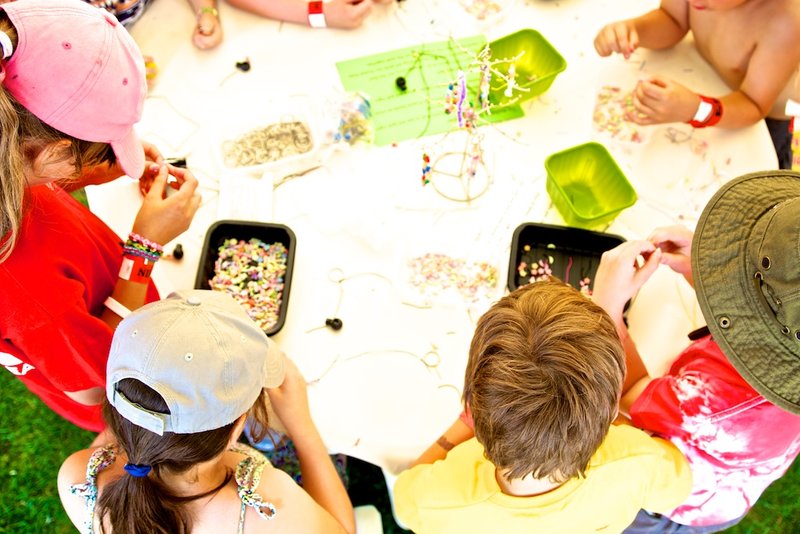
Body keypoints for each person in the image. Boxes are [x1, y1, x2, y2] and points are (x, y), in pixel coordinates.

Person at [0, 0, 199, 434]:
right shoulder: (27, 294)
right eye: (101, 148)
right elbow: (94, 383)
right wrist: (143, 247)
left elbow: (34, 185)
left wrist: (95, 167)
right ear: (52, 152)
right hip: (128, 371)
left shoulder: (13, 165)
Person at [393, 279, 693, 533]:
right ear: (613, 411)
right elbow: (679, 484)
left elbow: (406, 497)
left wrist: (464, 425)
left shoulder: (440, 497)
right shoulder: (635, 456)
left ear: (473, 399)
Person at [591, 170, 800, 532]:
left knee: (635, 516)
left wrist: (606, 312)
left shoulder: (713, 401)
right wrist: (704, 272)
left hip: (688, 495)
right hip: (743, 465)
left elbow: (630, 392)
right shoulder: (784, 354)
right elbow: (763, 321)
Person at [57, 290, 356, 534]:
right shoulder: (273, 504)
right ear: (239, 427)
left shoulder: (77, 478)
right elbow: (342, 529)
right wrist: (302, 427)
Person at [593, 0, 800, 169]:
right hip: (707, 79)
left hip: (764, 117)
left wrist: (697, 110)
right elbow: (673, 20)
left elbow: (754, 104)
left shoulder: (785, 23)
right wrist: (632, 31)